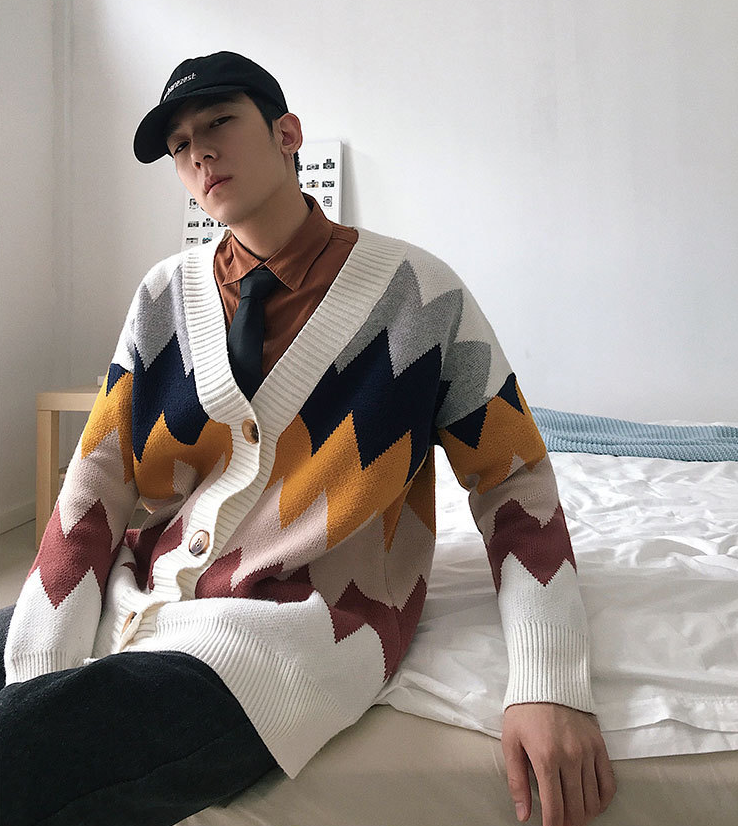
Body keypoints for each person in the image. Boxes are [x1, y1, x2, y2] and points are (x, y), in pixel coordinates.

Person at [0, 51, 617, 826]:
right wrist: (42, 660)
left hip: (289, 638)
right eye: (180, 145)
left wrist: (549, 680)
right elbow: (95, 486)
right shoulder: (162, 296)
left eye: (219, 122)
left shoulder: (420, 296)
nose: (199, 154)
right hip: (137, 595)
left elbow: (513, 482)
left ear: (287, 133)